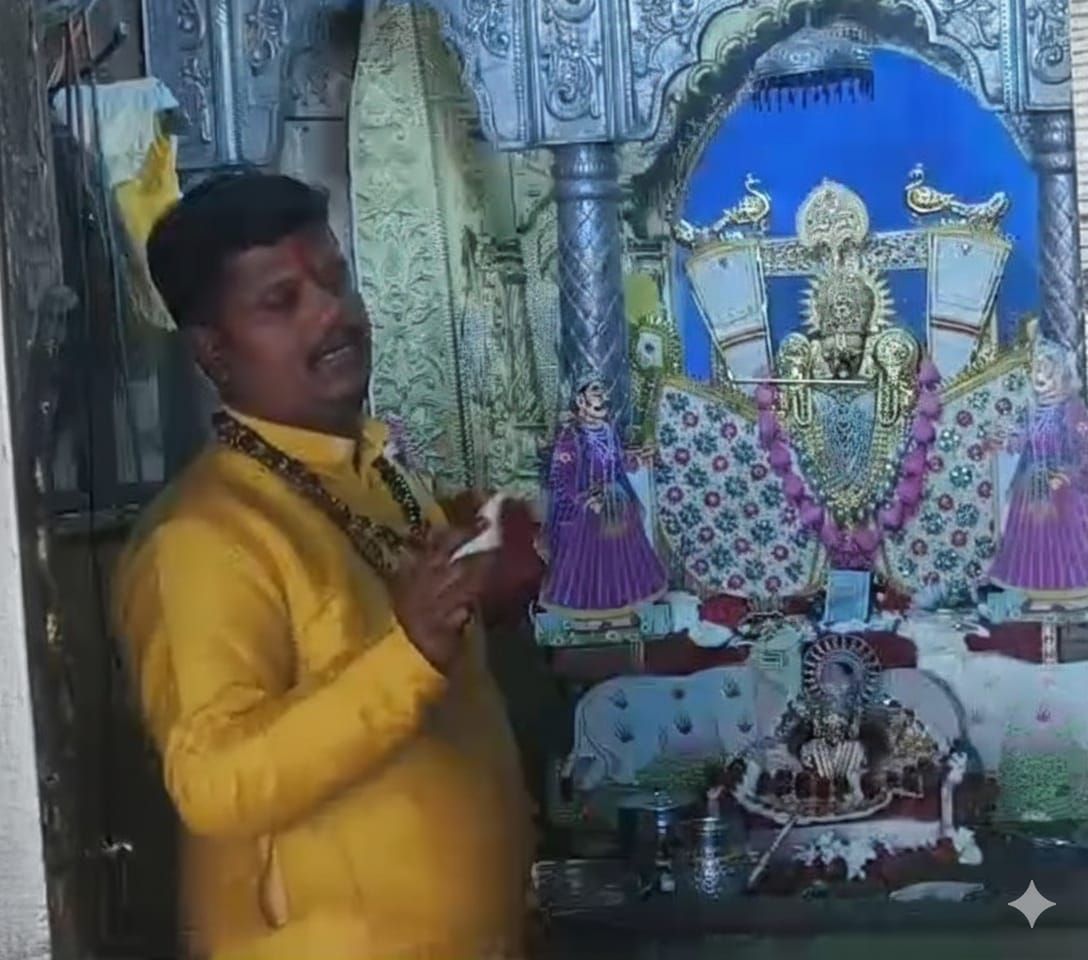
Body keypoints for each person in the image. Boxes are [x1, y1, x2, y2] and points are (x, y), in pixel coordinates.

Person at [113, 171, 534, 960]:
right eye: (282, 302)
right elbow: (215, 782)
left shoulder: (371, 474)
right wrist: (409, 654)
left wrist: (481, 571)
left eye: (335, 280)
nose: (331, 313)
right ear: (213, 351)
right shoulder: (203, 538)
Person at [539, 379, 667, 617]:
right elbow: (561, 478)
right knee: (591, 548)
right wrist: (585, 501)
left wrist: (638, 458)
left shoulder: (608, 430)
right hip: (583, 507)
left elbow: (617, 464)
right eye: (596, 393)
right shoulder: (570, 437)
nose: (603, 399)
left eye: (604, 394)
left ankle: (621, 599)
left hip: (614, 501)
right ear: (581, 401)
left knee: (626, 531)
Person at [988, 334, 1088, 605]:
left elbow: (1084, 451)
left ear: (1062, 375)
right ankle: (1033, 589)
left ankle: (1067, 590)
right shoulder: (1033, 410)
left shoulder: (1072, 409)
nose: (1039, 377)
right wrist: (1005, 441)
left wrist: (1066, 477)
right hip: (1031, 489)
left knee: (1063, 542)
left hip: (1063, 491)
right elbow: (1025, 442)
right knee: (1030, 543)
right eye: (1036, 370)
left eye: (1047, 371)